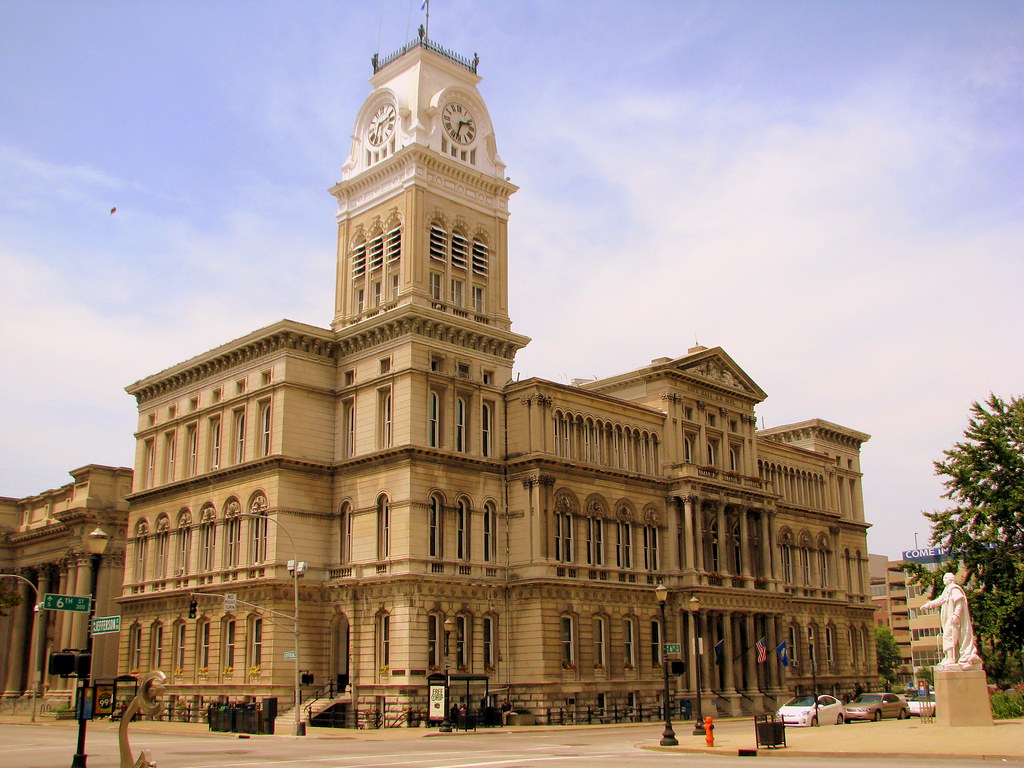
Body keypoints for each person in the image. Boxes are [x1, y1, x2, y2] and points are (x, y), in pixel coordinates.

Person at [921, 572, 983, 670]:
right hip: (948, 618)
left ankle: (951, 658)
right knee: (948, 636)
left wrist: (956, 615)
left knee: (949, 636)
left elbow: (959, 603)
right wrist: (929, 605)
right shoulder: (947, 590)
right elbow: (940, 600)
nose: (943, 579)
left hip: (953, 618)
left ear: (951, 579)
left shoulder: (954, 589)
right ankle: (949, 657)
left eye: (945, 578)